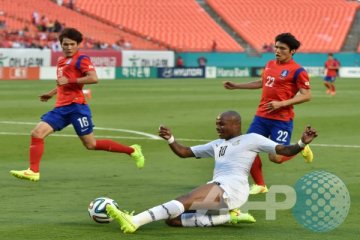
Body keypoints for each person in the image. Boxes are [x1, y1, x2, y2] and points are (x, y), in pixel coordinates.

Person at [105, 111, 318, 233]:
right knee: (173, 220)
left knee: (185, 199)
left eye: (222, 125)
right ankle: (226, 218)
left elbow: (283, 150)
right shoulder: (217, 144)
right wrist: (170, 139)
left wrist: (301, 143)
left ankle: (135, 221)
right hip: (223, 190)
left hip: (232, 188)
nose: (218, 128)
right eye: (217, 125)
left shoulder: (251, 139)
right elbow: (184, 152)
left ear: (235, 124)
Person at [10, 28, 145, 182]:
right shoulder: (61, 61)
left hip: (77, 107)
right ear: (61, 45)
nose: (68, 47)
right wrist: (52, 93)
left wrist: (70, 81)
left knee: (91, 144)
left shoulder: (82, 59)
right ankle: (33, 171)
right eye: (65, 44)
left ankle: (132, 150)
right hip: (61, 108)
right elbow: (64, 83)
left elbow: (94, 78)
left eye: (72, 44)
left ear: (79, 44)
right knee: (37, 133)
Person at [223, 33, 313, 194]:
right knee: (246, 149)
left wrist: (282, 103)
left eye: (282, 48)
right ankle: (261, 185)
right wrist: (237, 85)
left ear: (292, 51)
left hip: (281, 119)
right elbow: (261, 83)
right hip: (261, 117)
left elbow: (307, 95)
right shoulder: (270, 63)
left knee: (276, 158)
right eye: (276, 47)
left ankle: (300, 147)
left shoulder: (298, 70)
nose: (277, 50)